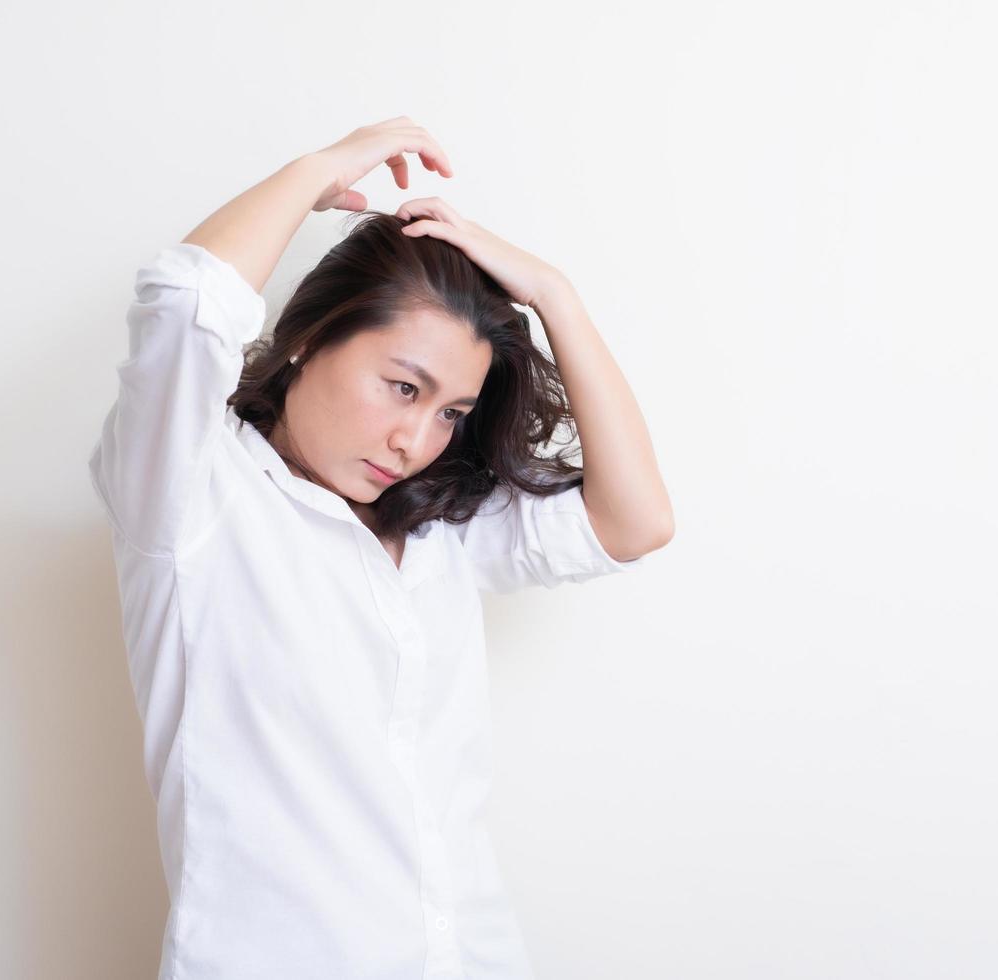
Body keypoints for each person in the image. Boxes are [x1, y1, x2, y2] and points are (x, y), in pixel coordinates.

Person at [87, 116, 674, 980]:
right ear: (307, 339)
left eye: (450, 413)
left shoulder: (441, 533)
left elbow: (635, 523)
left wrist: (555, 296)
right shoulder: (191, 500)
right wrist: (314, 170)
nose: (414, 438)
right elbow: (185, 303)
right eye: (402, 386)